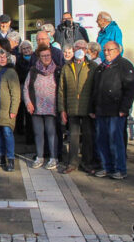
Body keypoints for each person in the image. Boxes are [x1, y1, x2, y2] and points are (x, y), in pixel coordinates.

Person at [89, 41, 134, 180]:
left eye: (109, 50)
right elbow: (95, 89)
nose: (106, 52)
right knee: (102, 140)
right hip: (101, 110)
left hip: (116, 111)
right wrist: (92, 108)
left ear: (117, 50)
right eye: (105, 50)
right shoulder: (101, 67)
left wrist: (124, 108)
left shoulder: (124, 65)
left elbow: (131, 88)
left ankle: (119, 169)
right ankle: (106, 166)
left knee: (115, 140)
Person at [57, 46, 97, 174]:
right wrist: (62, 109)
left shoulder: (93, 66)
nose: (79, 60)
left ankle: (87, 163)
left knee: (88, 137)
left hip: (87, 109)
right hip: (72, 108)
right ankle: (72, 163)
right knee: (73, 137)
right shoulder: (67, 67)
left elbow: (96, 88)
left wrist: (94, 108)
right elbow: (61, 90)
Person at [24, 45, 60, 170]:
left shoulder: (57, 70)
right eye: (43, 56)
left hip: (52, 108)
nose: (46, 58)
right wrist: (28, 102)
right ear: (39, 57)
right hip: (36, 108)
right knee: (38, 133)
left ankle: (53, 158)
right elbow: (26, 88)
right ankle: (39, 157)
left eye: (48, 55)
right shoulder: (33, 70)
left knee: (51, 133)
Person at [15, 41, 35, 145]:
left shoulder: (36, 58)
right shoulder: (19, 60)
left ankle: (31, 137)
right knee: (21, 111)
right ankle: (21, 132)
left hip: (33, 89)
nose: (26, 50)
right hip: (22, 86)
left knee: (30, 114)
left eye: (28, 48)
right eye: (24, 48)